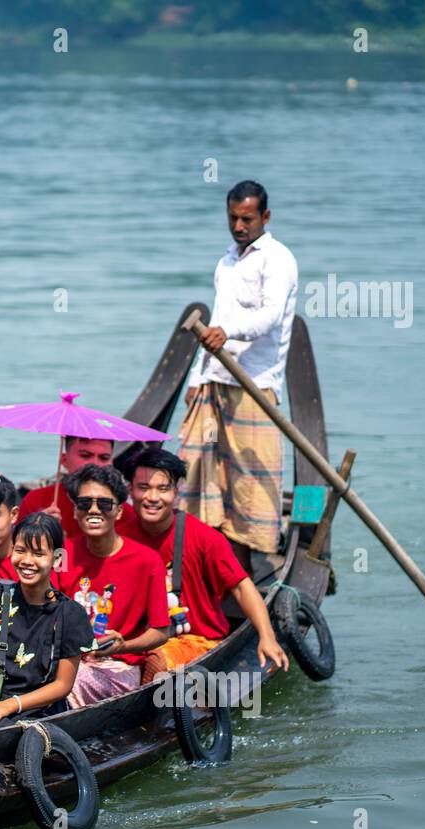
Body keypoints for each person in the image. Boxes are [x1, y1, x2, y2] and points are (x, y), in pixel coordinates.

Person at [180, 179, 299, 572]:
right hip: (215, 378)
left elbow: (270, 315)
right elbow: (218, 317)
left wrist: (228, 333)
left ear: (265, 216)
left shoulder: (277, 259)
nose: (239, 225)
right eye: (232, 217)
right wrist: (197, 378)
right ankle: (206, 571)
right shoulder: (227, 260)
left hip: (254, 382)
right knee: (199, 476)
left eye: (247, 218)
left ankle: (245, 576)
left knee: (250, 486)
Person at [122, 447, 289, 680]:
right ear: (130, 490)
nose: (152, 497)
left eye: (163, 489)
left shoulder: (204, 538)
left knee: (156, 664)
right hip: (135, 639)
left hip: (194, 641)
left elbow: (241, 587)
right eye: (143, 488)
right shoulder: (119, 538)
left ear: (177, 492)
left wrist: (266, 636)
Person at [53, 465, 172, 707]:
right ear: (75, 510)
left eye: (104, 504)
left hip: (117, 665)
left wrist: (123, 646)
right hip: (66, 659)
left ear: (118, 511)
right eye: (85, 503)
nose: (94, 510)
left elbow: (161, 632)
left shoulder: (147, 561)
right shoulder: (61, 553)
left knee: (70, 681)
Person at [0, 513, 91, 725]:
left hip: (41, 714)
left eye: (38, 553)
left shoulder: (71, 614)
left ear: (57, 558)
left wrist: (11, 705)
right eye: (20, 551)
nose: (27, 561)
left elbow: (63, 684)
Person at [15, 435, 128, 544]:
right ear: (64, 460)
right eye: (85, 455)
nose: (95, 464)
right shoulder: (36, 500)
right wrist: (37, 530)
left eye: (104, 458)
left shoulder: (125, 512)